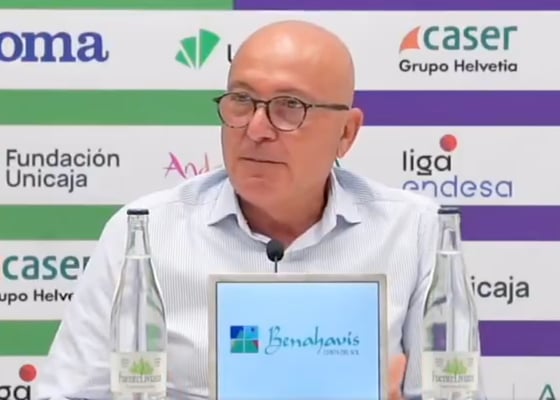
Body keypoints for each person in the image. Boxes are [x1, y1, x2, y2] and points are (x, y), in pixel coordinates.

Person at [38, 20, 451, 400]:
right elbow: (66, 393)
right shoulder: (144, 233)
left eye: (289, 106)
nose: (256, 129)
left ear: (346, 132)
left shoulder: (413, 231)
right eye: (241, 100)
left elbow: (452, 391)